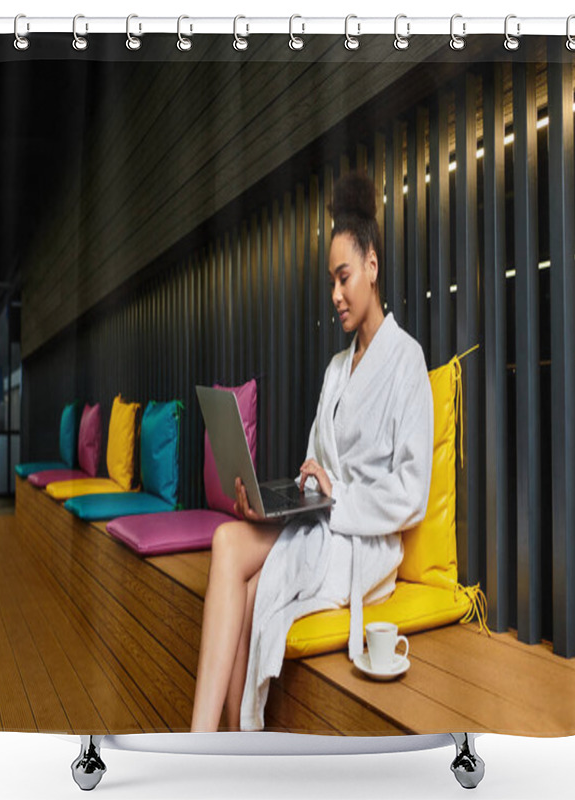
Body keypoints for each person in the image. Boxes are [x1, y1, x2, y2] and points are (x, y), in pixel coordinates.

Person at [190, 172, 434, 733]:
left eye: (343, 277)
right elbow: (314, 467)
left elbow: (410, 494)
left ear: (372, 265)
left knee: (245, 575)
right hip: (323, 522)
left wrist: (335, 494)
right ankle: (219, 746)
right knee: (232, 542)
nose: (335, 295)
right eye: (331, 281)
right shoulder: (334, 369)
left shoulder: (406, 361)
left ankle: (207, 745)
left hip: (365, 543)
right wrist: (287, 495)